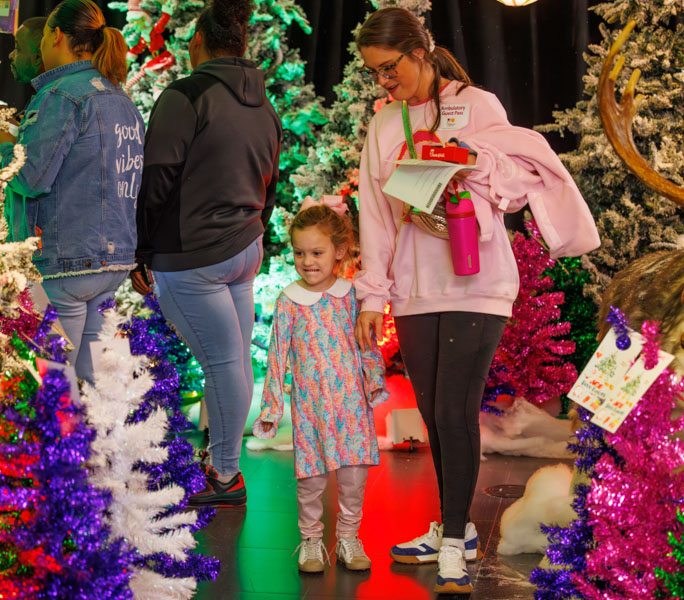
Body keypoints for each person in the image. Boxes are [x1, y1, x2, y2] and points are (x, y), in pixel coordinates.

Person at [353, 7, 599, 596]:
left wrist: (470, 161)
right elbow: (376, 216)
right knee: (437, 416)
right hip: (414, 290)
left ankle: (456, 541)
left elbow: (517, 185)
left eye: (391, 69)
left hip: (477, 281)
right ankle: (451, 528)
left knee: (457, 412)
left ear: (419, 53)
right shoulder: (384, 124)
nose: (385, 83)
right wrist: (373, 296)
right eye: (375, 74)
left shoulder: (478, 105)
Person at [131, 0, 282, 507]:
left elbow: (157, 179)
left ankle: (222, 476)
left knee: (222, 365)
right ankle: (223, 467)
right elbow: (271, 182)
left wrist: (142, 249)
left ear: (198, 42)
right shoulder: (264, 105)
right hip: (244, 247)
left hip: (193, 255)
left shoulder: (186, 94)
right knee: (233, 361)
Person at [0, 0, 144, 386]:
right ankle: (98, 448)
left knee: (55, 382)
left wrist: (2, 144)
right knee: (93, 384)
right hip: (114, 263)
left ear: (55, 36)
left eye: (41, 36)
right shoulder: (121, 99)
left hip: (64, 263)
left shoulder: (60, 95)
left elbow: (30, 176)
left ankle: (59, 444)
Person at [254, 201, 387, 573]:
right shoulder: (289, 303)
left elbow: (367, 344)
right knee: (310, 479)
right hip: (310, 408)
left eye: (317, 252)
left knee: (353, 479)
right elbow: (277, 357)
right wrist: (271, 409)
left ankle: (348, 537)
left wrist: (374, 381)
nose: (307, 261)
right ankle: (311, 540)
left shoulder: (351, 297)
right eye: (299, 253)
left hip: (351, 407)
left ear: (339, 251)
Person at [2, 16, 46, 243]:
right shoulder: (40, 100)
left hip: (37, 248)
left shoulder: (53, 102)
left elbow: (30, 179)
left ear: (38, 55)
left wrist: (2, 144)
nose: (11, 55)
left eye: (18, 48)